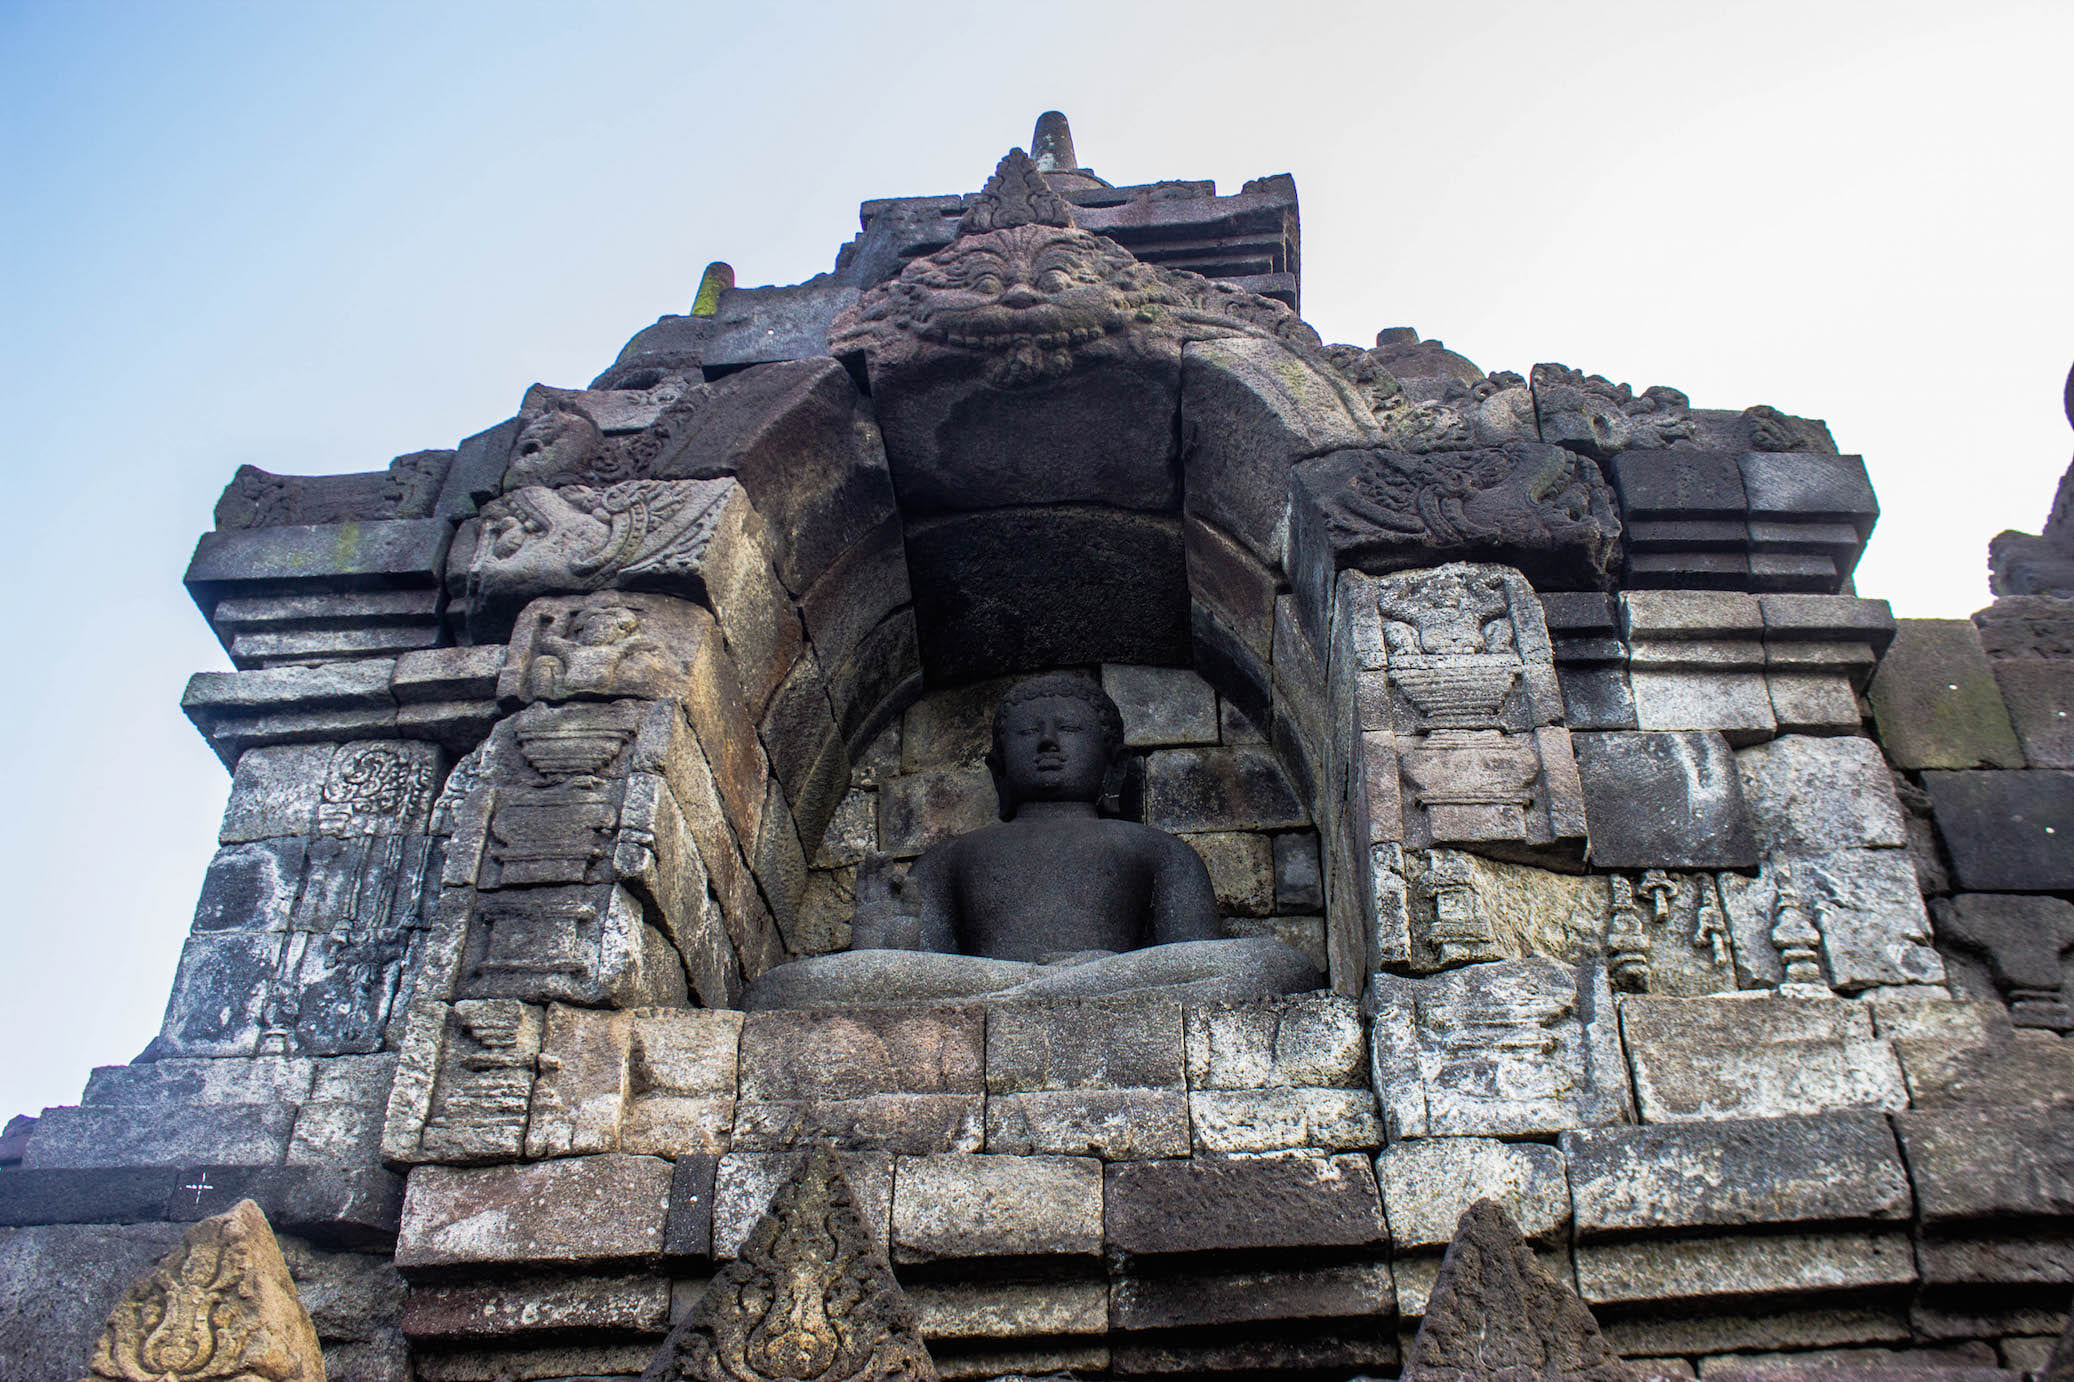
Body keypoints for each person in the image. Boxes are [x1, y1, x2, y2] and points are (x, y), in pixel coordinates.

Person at [741, 673, 1322, 1009]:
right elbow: (921, 974)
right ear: (998, 769)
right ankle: (1058, 989)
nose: (1046, 743)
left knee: (1274, 963)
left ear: (1115, 769)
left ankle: (1062, 987)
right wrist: (881, 946)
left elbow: (1195, 959)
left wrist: (1116, 969)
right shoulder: (950, 857)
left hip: (1106, 981)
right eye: (1027, 732)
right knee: (781, 992)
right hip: (996, 984)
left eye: (1068, 730)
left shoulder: (1157, 850)